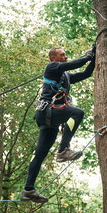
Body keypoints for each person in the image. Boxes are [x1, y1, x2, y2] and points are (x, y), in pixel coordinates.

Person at [21, 46, 96, 203]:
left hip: (50, 119)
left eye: (66, 55)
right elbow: (72, 65)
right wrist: (87, 56)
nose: (65, 57)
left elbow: (85, 73)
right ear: (53, 58)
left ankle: (28, 190)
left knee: (39, 155)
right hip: (47, 110)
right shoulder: (52, 67)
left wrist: (95, 57)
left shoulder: (66, 77)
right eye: (62, 55)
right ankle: (63, 150)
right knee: (77, 113)